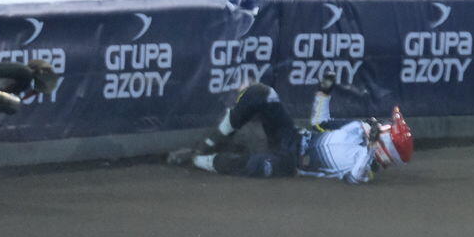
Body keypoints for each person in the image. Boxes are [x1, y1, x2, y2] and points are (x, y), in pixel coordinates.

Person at [166, 75, 414, 183]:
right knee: (263, 93)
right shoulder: (359, 128)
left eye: (388, 130)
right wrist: (324, 93)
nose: (383, 127)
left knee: (256, 166)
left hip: (290, 164)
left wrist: (369, 147)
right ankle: (209, 144)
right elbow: (320, 123)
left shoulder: (367, 168)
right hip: (294, 137)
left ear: (387, 146)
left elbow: (354, 178)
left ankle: (197, 160)